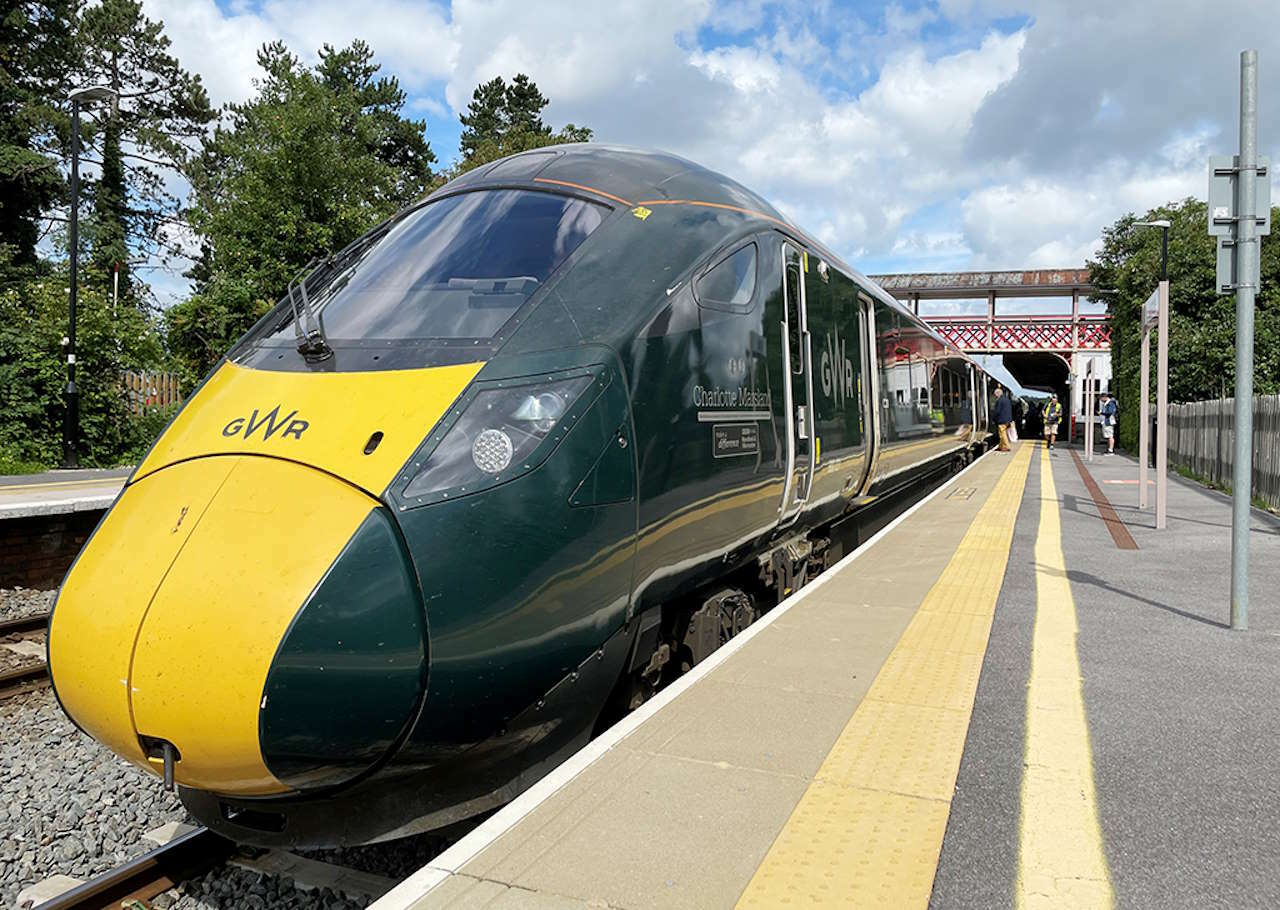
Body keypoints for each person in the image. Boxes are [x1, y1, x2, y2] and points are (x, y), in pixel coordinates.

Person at [992, 386, 1013, 452]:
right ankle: (1000, 446)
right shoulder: (1007, 400)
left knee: (1002, 434)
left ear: (998, 394)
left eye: (995, 395)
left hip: (1002, 420)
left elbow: (997, 411)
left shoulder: (999, 401)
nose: (995, 396)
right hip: (1007, 420)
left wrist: (994, 418)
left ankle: (1007, 446)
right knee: (1002, 433)